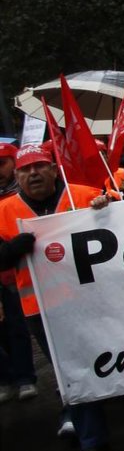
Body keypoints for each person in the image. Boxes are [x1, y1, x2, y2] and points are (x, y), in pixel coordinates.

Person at [0, 144, 124, 451]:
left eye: (40, 166)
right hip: (44, 312)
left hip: (99, 299)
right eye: (26, 170)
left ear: (54, 170)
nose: (34, 174)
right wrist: (10, 251)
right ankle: (92, 442)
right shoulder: (4, 211)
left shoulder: (82, 195)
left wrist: (107, 204)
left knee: (118, 357)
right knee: (72, 375)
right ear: (17, 176)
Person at [0, 142, 37, 404]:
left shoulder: (28, 195)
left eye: (2, 163)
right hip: (5, 273)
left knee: (16, 327)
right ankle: (5, 378)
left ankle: (25, 378)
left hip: (26, 279)